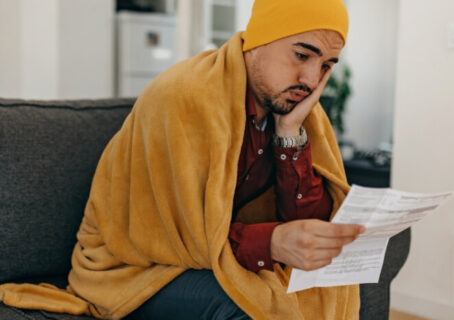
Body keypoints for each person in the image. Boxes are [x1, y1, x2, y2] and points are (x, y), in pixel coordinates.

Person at [0, 0, 364, 319]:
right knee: (251, 308)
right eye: (302, 55)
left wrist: (289, 135)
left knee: (322, 294)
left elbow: (309, 224)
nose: (311, 79)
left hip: (211, 258)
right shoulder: (186, 97)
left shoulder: (296, 111)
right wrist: (271, 243)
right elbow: (171, 237)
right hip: (136, 268)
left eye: (326, 66)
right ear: (257, 41)